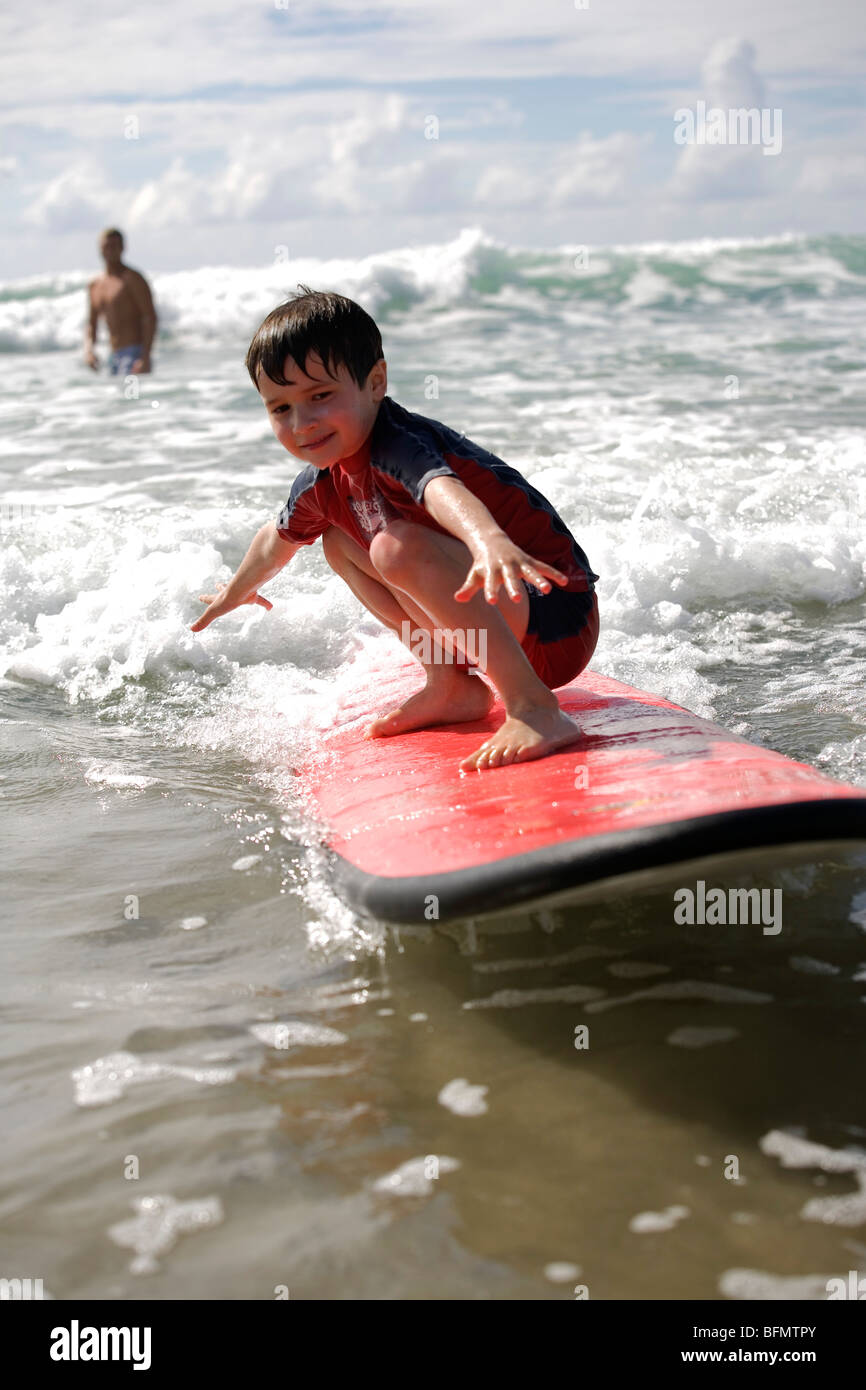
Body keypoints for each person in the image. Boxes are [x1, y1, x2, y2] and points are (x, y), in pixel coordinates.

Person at [191, 288, 600, 773]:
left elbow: (442, 490)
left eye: (320, 396)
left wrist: (488, 539)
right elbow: (274, 543)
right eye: (280, 408)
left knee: (393, 547)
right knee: (338, 542)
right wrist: (235, 593)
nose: (302, 423)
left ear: (375, 382)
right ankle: (449, 683)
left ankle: (533, 708)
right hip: (502, 617)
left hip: (555, 619)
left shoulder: (400, 445)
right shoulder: (322, 483)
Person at [84, 228, 157, 376]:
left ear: (123, 248)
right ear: (100, 249)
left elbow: (150, 317)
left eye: (114, 246)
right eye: (106, 246)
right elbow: (92, 323)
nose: (110, 251)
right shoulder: (95, 285)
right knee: (116, 399)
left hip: (134, 353)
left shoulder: (132, 279)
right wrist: (89, 351)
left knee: (133, 398)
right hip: (112, 356)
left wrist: (145, 356)